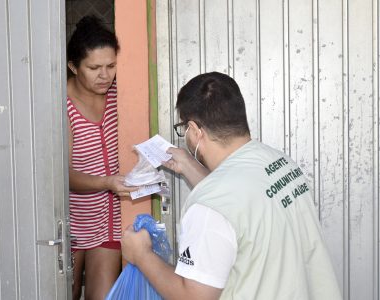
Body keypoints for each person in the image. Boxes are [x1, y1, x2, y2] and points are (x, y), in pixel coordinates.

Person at [121, 72, 342, 299]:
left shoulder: (209, 207)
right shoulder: (278, 161)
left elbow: (194, 296)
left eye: (184, 129)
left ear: (196, 131)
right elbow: (238, 204)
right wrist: (188, 164)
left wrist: (142, 255)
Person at [66, 15, 137, 300]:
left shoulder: (120, 93)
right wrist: (106, 182)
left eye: (111, 66)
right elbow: (63, 175)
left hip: (105, 219)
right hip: (68, 222)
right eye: (94, 68)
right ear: (73, 67)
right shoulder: (62, 105)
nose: (104, 76)